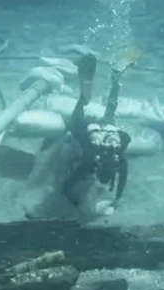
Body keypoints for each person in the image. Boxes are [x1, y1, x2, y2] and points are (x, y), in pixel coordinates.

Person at [62, 53, 131, 205]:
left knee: (109, 112)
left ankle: (115, 76)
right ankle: (111, 78)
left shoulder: (117, 159)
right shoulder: (88, 166)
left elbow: (66, 187)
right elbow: (66, 187)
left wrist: (118, 198)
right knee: (82, 118)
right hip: (92, 131)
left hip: (101, 131)